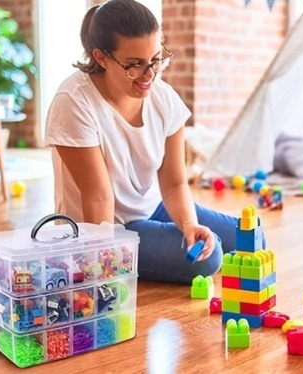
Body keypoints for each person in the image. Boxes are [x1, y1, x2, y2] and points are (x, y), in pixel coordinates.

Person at [45, 0, 237, 283]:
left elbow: (174, 184)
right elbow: (98, 196)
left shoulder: (165, 98)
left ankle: (163, 233)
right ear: (101, 57)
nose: (150, 76)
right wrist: (101, 265)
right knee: (211, 257)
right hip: (109, 225)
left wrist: (188, 224)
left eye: (157, 59)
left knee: (250, 235)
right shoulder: (73, 102)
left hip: (153, 206)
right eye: (135, 66)